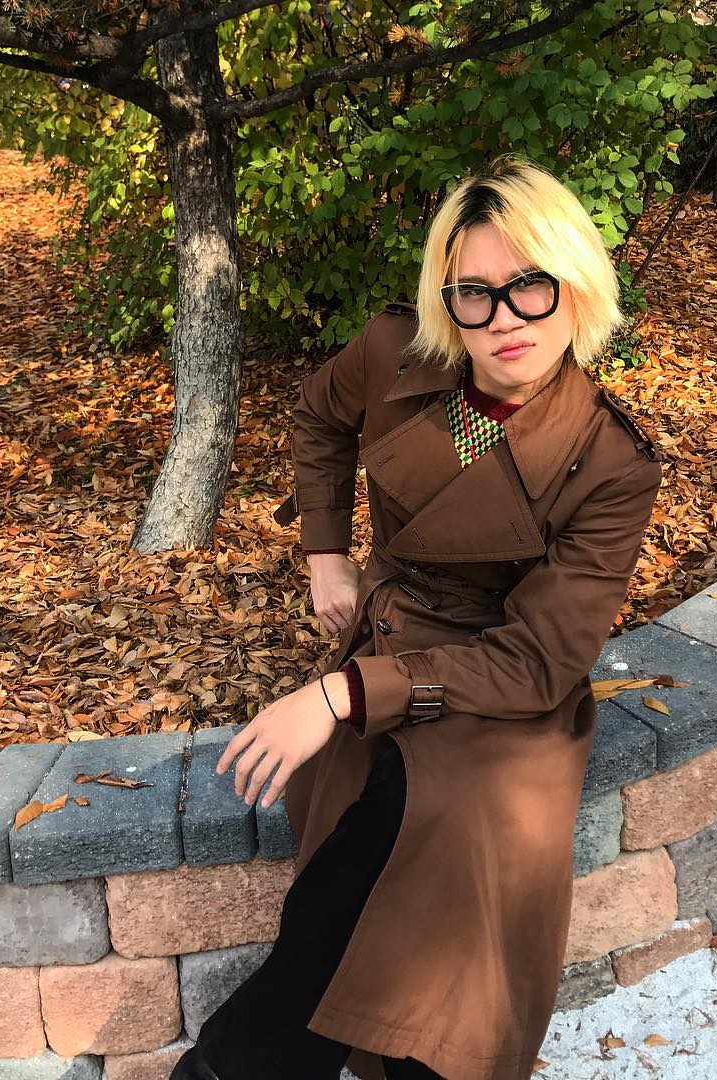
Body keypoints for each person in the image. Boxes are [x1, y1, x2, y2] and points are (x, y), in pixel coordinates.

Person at [171, 153, 662, 1080]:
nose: (505, 320)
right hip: (395, 631)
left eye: (530, 287)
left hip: (504, 680)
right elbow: (317, 417)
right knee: (387, 820)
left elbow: (541, 658)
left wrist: (339, 696)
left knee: (437, 819)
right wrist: (325, 550)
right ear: (448, 300)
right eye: (475, 294)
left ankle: (245, 1064)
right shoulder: (395, 354)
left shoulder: (609, 461)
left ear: (577, 286)